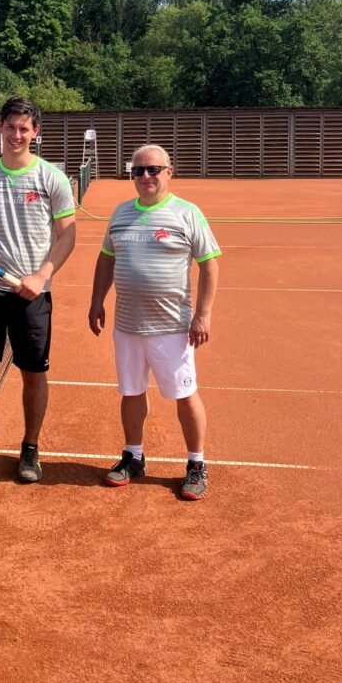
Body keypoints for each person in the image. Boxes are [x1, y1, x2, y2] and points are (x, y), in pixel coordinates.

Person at [88, 144, 220, 500]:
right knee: (131, 391)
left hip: (172, 327)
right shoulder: (120, 213)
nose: (145, 176)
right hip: (127, 325)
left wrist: (203, 314)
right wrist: (97, 300)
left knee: (184, 395)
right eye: (138, 170)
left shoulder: (187, 213)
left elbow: (209, 263)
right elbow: (106, 259)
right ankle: (133, 456)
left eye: (153, 170)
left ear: (168, 172)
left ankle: (196, 464)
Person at [0, 97, 76, 486]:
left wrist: (41, 275)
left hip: (33, 295)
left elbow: (68, 236)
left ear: (35, 132)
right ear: (0, 128)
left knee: (34, 373)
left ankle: (30, 448)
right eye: (11, 127)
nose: (17, 135)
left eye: (24, 128)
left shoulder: (52, 179)